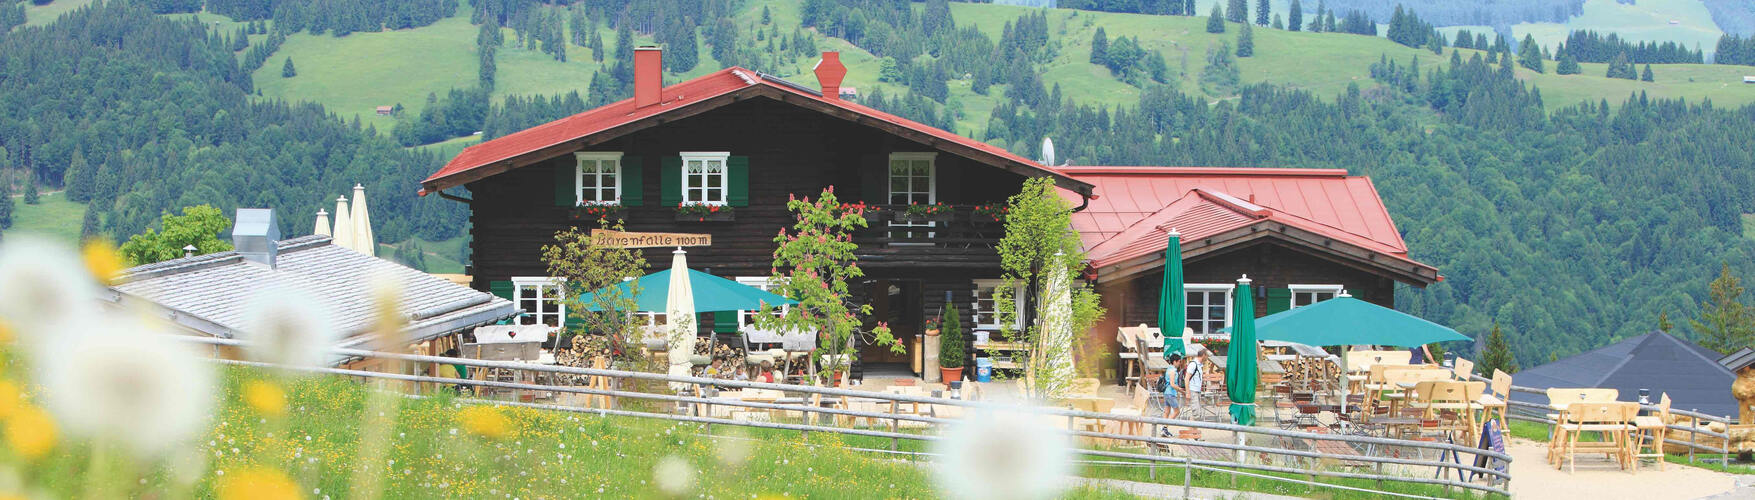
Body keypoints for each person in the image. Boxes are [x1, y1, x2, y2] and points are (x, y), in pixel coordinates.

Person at [1161, 353, 1185, 421]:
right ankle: (1166, 425)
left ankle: (1164, 426)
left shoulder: (1169, 369)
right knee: (1177, 411)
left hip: (1166, 392)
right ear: (1174, 362)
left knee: (1167, 411)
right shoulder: (1173, 371)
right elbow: (1172, 384)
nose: (1180, 363)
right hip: (1170, 393)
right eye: (1179, 361)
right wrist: (1181, 390)